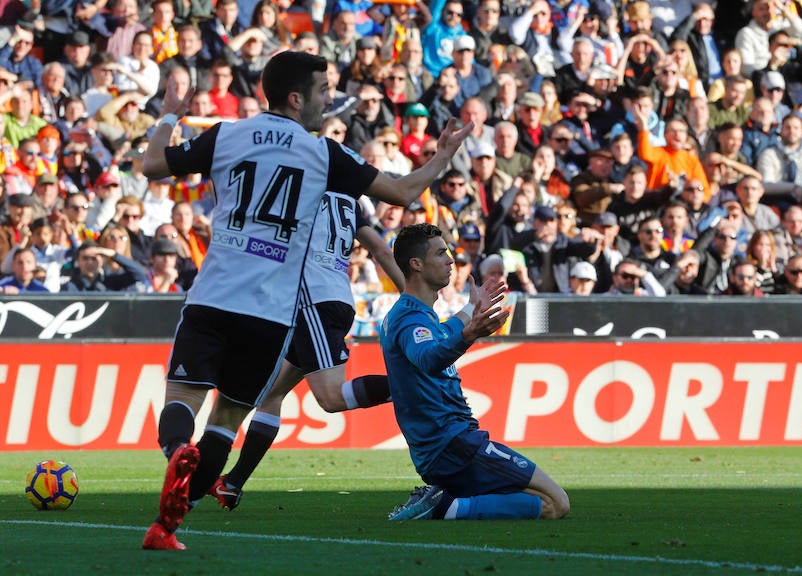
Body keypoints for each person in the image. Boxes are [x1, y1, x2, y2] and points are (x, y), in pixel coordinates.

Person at [139, 51, 473, 550]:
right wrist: (443, 154)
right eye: (322, 92)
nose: (328, 102)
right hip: (270, 314)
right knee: (228, 420)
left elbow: (152, 164)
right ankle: (168, 527)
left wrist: (170, 114)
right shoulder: (324, 154)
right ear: (296, 98)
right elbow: (403, 193)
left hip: (212, 297)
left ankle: (174, 454)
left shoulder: (227, 134)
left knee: (182, 402)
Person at [211, 198, 406, 509]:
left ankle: (418, 386)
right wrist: (410, 299)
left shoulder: (299, 186)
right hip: (337, 300)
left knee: (331, 399)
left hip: (310, 301)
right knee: (271, 393)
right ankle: (233, 483)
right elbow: (382, 251)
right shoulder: (347, 200)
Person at [380, 223, 569, 521]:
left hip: (446, 449)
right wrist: (468, 335)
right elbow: (428, 358)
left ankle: (447, 502)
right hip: (453, 446)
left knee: (531, 498)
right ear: (416, 264)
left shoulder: (414, 315)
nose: (450, 260)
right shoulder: (409, 319)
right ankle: (444, 506)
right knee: (555, 503)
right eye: (440, 253)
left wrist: (471, 308)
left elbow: (442, 334)